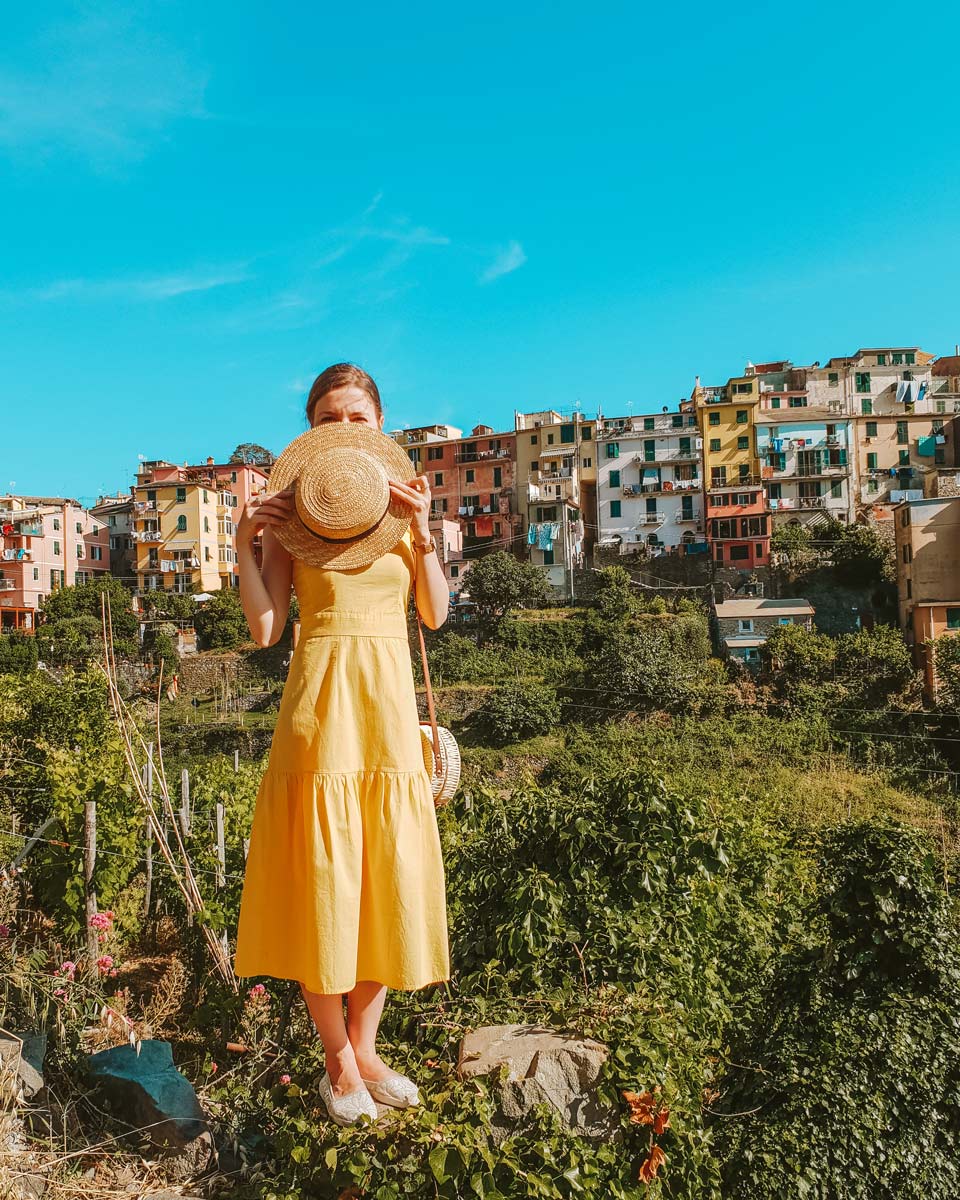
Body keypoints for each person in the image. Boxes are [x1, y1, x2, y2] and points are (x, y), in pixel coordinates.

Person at [233, 363, 450, 1125]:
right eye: (331, 417)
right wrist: (244, 543)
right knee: (323, 882)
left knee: (386, 874)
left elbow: (434, 615)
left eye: (358, 416)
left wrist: (423, 536)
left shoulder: (402, 514)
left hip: (387, 713)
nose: (346, 429)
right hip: (320, 711)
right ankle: (335, 1060)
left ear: (381, 421)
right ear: (313, 428)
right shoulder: (297, 523)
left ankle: (366, 1046)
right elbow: (265, 630)